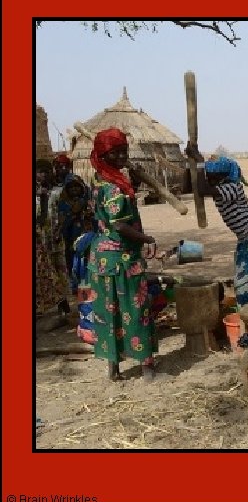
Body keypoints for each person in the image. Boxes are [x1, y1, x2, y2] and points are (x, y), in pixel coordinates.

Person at [86, 128, 158, 381]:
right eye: (115, 152)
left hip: (101, 259)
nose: (121, 156)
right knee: (137, 309)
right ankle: (148, 370)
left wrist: (134, 183)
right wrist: (147, 239)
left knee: (110, 312)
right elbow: (119, 225)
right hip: (122, 259)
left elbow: (113, 211)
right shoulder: (114, 188)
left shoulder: (99, 182)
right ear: (103, 155)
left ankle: (113, 370)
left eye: (124, 151)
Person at [186, 150, 248, 306]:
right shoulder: (221, 184)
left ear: (222, 176)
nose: (209, 179)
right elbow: (194, 185)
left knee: (247, 281)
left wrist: (199, 161)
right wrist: (193, 162)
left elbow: (202, 189)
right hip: (247, 238)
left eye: (212, 176)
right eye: (208, 176)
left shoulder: (232, 188)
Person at [35, 159, 71, 317]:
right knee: (44, 272)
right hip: (40, 239)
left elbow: (64, 213)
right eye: (40, 172)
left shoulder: (58, 191)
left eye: (47, 171)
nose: (44, 175)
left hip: (55, 237)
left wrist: (59, 231)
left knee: (60, 269)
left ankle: (63, 304)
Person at [57, 175, 92, 293]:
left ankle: (87, 286)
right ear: (66, 189)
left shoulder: (86, 200)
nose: (74, 189)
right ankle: (75, 286)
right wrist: (72, 214)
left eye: (77, 186)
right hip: (70, 238)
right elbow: (62, 222)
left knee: (87, 261)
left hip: (86, 238)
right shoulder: (63, 203)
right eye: (71, 187)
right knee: (72, 262)